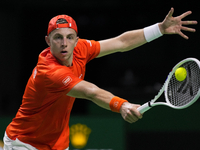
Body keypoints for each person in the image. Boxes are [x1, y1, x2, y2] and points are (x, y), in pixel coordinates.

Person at [3, 8, 197, 150]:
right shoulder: (49, 71)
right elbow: (91, 92)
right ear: (47, 41)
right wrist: (122, 105)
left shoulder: (81, 49)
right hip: (24, 142)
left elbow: (121, 42)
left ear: (76, 40)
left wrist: (159, 29)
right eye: (57, 38)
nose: (64, 44)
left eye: (70, 37)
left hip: (57, 143)